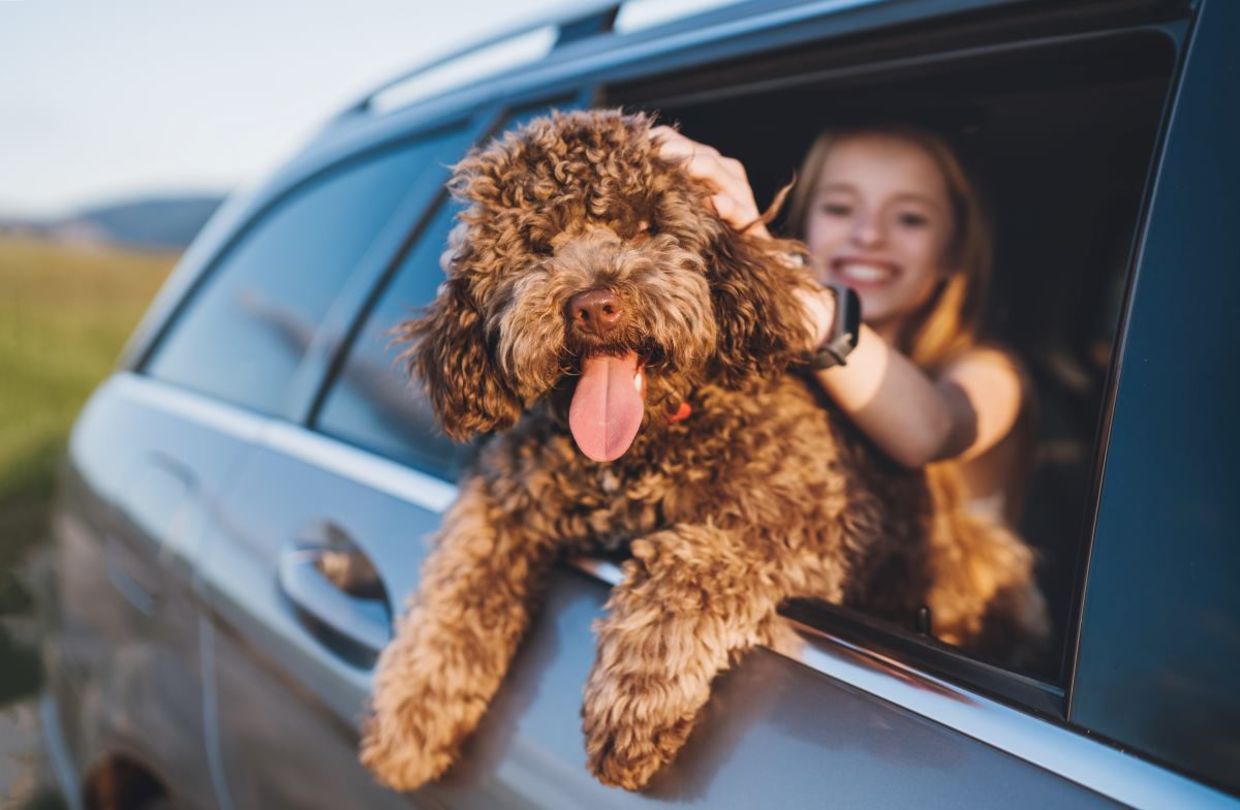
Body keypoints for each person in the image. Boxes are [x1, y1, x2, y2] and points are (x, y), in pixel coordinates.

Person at [654, 124, 1031, 524]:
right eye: (839, 209)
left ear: (954, 251)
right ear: (806, 226)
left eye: (910, 219)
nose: (868, 236)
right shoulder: (768, 373)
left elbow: (929, 432)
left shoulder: (990, 373)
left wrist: (773, 269)